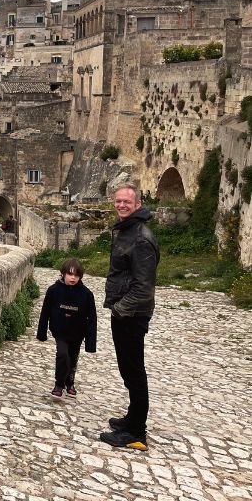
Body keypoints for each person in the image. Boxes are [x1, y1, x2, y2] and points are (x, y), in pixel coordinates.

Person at [100, 182, 159, 451]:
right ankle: (132, 419)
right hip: (124, 311)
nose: (121, 205)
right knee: (128, 370)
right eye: (118, 201)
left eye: (127, 201)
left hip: (132, 314)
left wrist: (120, 309)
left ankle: (137, 432)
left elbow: (144, 288)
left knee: (134, 372)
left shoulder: (141, 238)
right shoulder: (127, 230)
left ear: (137, 204)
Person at [37, 258, 97, 398]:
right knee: (63, 355)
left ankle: (70, 382)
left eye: (76, 275)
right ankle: (59, 383)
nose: (73, 278)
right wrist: (42, 332)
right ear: (63, 274)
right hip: (60, 331)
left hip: (77, 332)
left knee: (73, 357)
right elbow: (45, 311)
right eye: (70, 274)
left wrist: (90, 343)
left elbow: (92, 319)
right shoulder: (54, 290)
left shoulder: (86, 294)